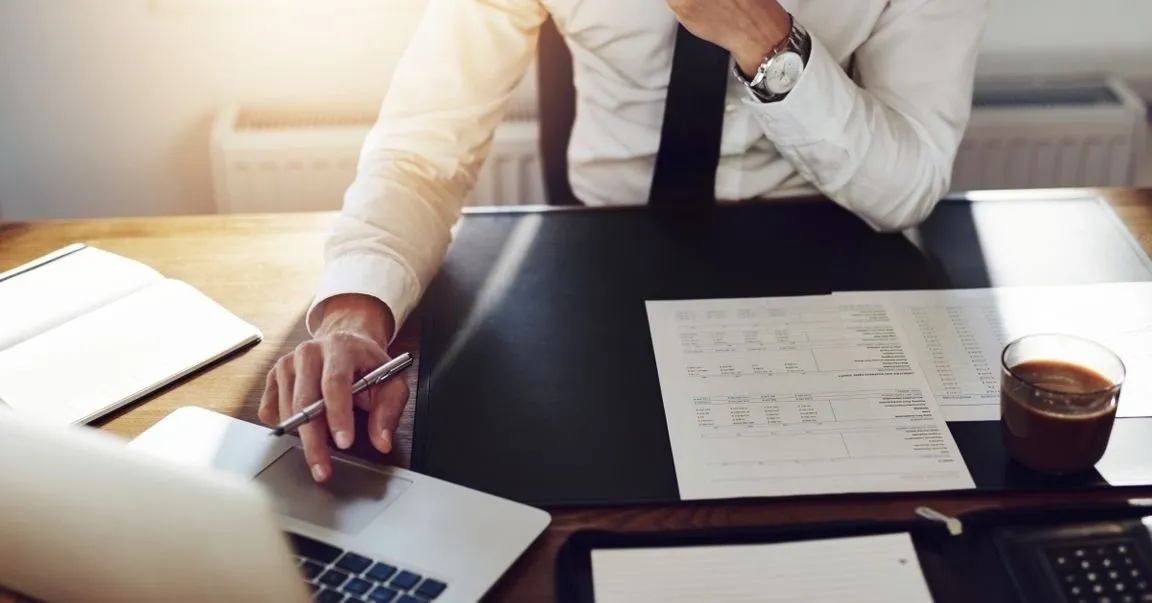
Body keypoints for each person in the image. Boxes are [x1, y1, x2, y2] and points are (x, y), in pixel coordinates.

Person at [258, 0, 990, 482]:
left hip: (821, 267)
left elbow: (910, 183)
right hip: (593, 273)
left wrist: (764, 39)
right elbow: (423, 148)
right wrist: (356, 312)